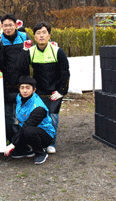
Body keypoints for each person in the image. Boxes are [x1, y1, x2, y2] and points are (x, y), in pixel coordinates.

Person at [18, 21, 70, 154]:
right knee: (36, 117)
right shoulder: (31, 51)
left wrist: (61, 91)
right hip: (38, 92)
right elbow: (22, 70)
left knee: (53, 116)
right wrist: (24, 51)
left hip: (54, 92)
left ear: (49, 35)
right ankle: (35, 142)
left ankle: (51, 142)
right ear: (34, 37)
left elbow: (65, 72)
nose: (41, 36)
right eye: (38, 33)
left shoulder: (57, 51)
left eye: (44, 33)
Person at [0, 13, 30, 142]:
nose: (8, 28)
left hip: (23, 82)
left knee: (24, 114)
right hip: (6, 83)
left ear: (16, 25)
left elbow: (29, 59)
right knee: (8, 115)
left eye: (10, 25)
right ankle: (12, 140)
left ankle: (25, 139)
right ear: (2, 26)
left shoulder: (24, 37)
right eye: (5, 26)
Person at [4, 76, 55, 165]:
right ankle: (24, 150)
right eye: (22, 88)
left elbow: (27, 126)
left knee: (28, 130)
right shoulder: (19, 97)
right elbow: (6, 96)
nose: (24, 91)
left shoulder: (38, 107)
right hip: (26, 129)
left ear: (34, 90)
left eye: (28, 88)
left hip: (44, 135)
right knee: (10, 126)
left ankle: (40, 153)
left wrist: (12, 145)